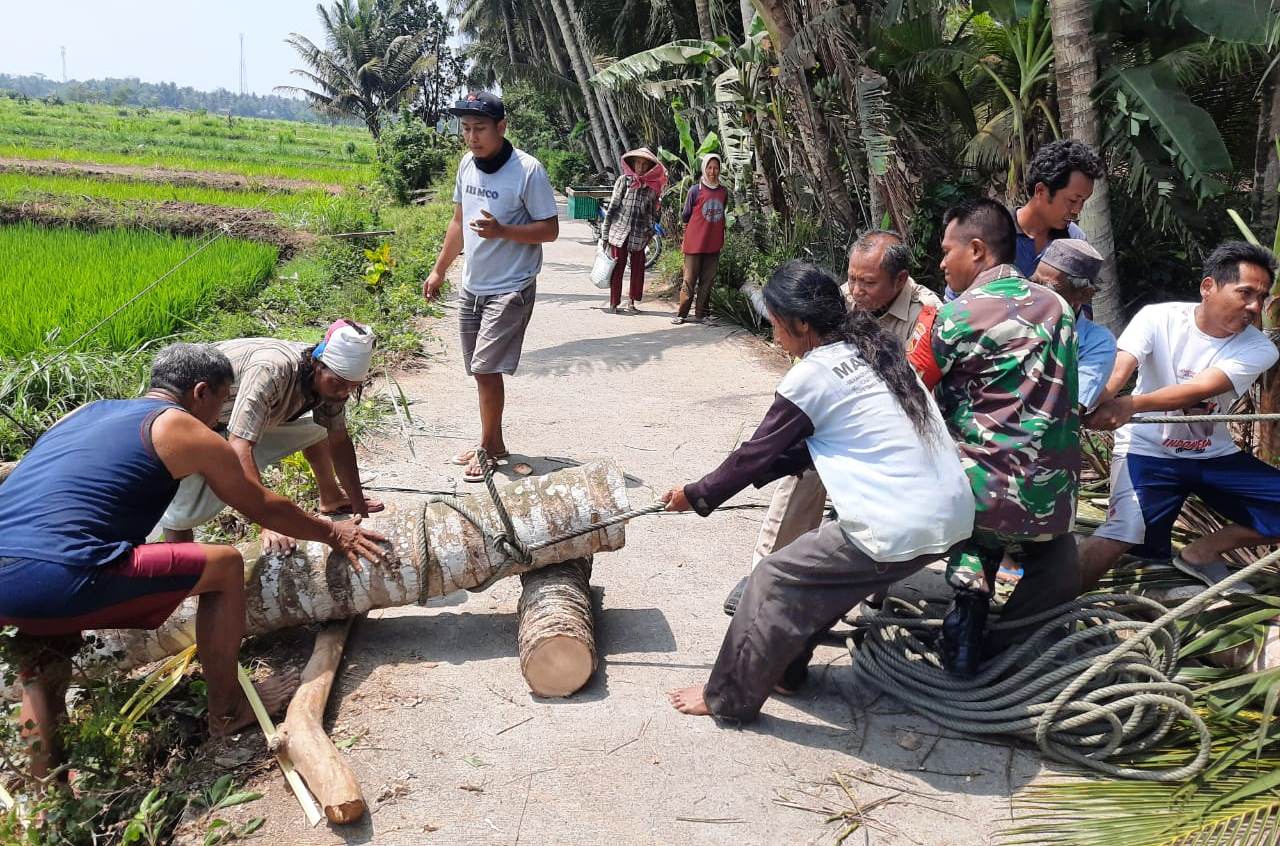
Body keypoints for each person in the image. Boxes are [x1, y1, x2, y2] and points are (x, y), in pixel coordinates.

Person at [0, 343, 386, 779]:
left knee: (43, 671)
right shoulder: (182, 427)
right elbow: (261, 506)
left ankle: (48, 798)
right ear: (202, 392)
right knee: (224, 564)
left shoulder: (84, 413)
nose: (220, 415)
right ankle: (226, 711)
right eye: (222, 401)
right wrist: (334, 532)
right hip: (62, 572)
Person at [663, 261, 974, 721]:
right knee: (822, 582)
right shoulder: (878, 351)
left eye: (775, 325)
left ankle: (725, 696)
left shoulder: (815, 374)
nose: (774, 337)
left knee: (771, 579)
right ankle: (788, 673)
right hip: (953, 514)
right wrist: (742, 478)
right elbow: (821, 446)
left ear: (802, 323)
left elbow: (755, 454)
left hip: (896, 525)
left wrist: (697, 494)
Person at [722, 230, 943, 615]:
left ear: (901, 279)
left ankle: (873, 588)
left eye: (868, 282)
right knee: (803, 470)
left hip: (894, 432)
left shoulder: (927, 315)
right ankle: (766, 575)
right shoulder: (839, 299)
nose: (855, 290)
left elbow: (914, 393)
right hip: (839, 419)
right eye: (852, 277)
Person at [908, 198, 1081, 677]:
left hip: (984, 494)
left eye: (948, 250)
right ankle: (1012, 647)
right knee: (1053, 554)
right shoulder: (1061, 307)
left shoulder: (956, 315)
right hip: (1057, 498)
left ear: (978, 250)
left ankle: (965, 624)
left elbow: (909, 388)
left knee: (977, 531)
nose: (942, 262)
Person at [1079, 241, 1280, 592]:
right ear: (1208, 287)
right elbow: (1119, 368)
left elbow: (1201, 388)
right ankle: (1034, 609)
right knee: (1126, 536)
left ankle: (1203, 552)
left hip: (1214, 458)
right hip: (1147, 453)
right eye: (1246, 292)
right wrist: (1092, 403)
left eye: (1261, 298)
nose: (1255, 306)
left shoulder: (1259, 346)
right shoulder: (1158, 317)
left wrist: (1129, 405)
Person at [421, 91, 559, 483]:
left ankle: (485, 449)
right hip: (473, 284)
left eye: (480, 128)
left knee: (485, 367)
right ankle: (494, 445)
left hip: (511, 286)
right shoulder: (467, 165)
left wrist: (503, 231)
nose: (471, 137)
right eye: (465, 129)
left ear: (501, 127)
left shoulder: (527, 170)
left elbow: (550, 229)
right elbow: (457, 221)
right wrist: (439, 269)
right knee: (479, 369)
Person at [161, 321, 382, 551]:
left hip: (237, 421)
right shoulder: (271, 371)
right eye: (338, 383)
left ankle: (332, 498)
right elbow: (239, 446)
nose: (344, 392)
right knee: (180, 513)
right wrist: (268, 521)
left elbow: (339, 440)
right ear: (317, 364)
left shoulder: (332, 382)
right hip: (192, 420)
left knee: (319, 426)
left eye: (353, 386)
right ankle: (179, 572)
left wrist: (359, 508)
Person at [1032, 239, 1116, 413]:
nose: (1035, 293)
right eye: (1034, 283)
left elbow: (1070, 407)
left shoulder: (1097, 343)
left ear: (1084, 294)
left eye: (1048, 288)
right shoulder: (1010, 317)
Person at [1013, 139, 1105, 278]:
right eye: (1072, 200)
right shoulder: (996, 235)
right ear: (1040, 190)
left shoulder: (1075, 239)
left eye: (1083, 201)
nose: (1077, 210)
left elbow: (1081, 297)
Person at [602, 147, 667, 315]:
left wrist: (650, 232)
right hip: (619, 232)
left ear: (649, 167)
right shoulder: (623, 181)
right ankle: (614, 303)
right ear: (632, 164)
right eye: (638, 163)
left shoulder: (651, 188)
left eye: (645, 164)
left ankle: (631, 302)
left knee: (638, 270)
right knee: (618, 268)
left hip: (640, 235)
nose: (641, 167)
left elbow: (653, 214)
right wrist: (605, 234)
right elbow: (613, 208)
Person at [673, 153, 728, 325]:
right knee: (689, 279)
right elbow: (686, 215)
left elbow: (722, 213)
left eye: (716, 167)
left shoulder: (723, 191)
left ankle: (701, 314)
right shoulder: (695, 190)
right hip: (694, 243)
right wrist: (687, 235)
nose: (712, 171)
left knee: (708, 280)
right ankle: (682, 314)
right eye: (709, 167)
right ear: (704, 168)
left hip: (714, 243)